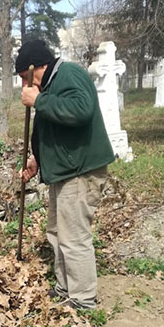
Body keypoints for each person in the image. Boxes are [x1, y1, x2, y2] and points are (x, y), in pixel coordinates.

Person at [17, 39, 115, 309]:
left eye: (25, 77)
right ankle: (65, 288)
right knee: (57, 232)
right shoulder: (49, 86)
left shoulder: (69, 74)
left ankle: (83, 299)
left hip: (81, 171)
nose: (24, 85)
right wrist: (38, 159)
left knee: (73, 237)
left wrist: (39, 100)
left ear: (38, 67)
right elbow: (54, 129)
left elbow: (81, 111)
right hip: (64, 172)